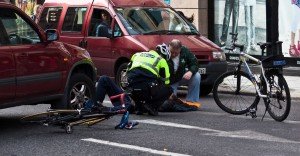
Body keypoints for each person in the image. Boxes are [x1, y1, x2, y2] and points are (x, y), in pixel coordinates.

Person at [126, 44, 173, 116]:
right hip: (147, 86)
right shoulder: (161, 60)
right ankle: (152, 106)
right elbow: (166, 81)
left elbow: (128, 69)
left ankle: (139, 107)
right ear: (163, 55)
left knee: (143, 86)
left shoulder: (137, 54)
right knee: (168, 89)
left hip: (131, 86)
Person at [168, 39, 201, 108]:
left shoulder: (185, 51)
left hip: (180, 76)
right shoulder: (163, 51)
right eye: (171, 52)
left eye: (176, 53)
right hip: (169, 80)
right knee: (169, 102)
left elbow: (195, 63)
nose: (173, 55)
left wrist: (190, 71)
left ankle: (191, 102)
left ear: (180, 49)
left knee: (196, 76)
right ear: (169, 47)